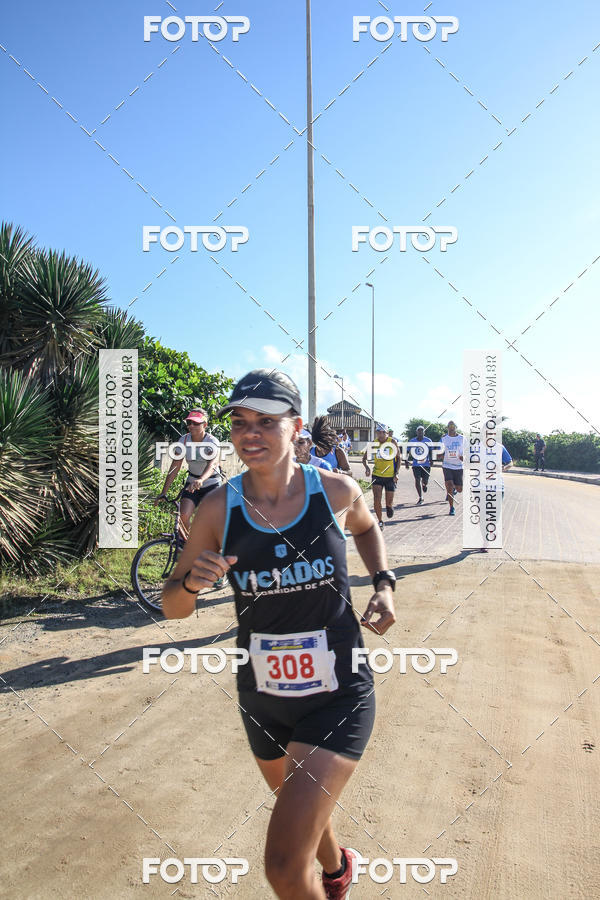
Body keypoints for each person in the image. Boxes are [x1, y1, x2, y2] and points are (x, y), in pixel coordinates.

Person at [162, 369, 396, 900]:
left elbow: (365, 526)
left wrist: (384, 583)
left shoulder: (336, 490)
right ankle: (338, 871)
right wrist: (192, 585)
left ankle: (323, 876)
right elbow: (172, 607)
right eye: (241, 422)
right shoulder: (219, 508)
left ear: (295, 426)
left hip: (338, 693)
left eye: (267, 421)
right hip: (262, 695)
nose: (251, 434)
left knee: (285, 867)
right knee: (304, 818)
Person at [155, 409, 222, 538]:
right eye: (189, 422)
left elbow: (213, 464)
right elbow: (175, 466)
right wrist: (164, 492)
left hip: (211, 484)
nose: (191, 426)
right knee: (183, 515)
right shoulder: (183, 440)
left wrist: (201, 479)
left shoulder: (212, 442)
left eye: (196, 423)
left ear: (205, 425)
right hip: (192, 483)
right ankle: (189, 546)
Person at [362, 424, 400, 528]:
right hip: (377, 475)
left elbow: (399, 458)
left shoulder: (392, 442)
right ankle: (380, 521)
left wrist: (396, 473)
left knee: (389, 502)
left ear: (387, 433)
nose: (381, 434)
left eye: (383, 432)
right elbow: (364, 459)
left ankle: (389, 506)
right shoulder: (374, 443)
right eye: (379, 432)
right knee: (376, 498)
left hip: (390, 476)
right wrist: (367, 468)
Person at [438, 420, 463, 516]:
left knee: (459, 489)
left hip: (458, 466)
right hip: (447, 465)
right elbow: (439, 452)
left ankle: (455, 489)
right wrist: (440, 455)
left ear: (456, 428)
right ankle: (451, 508)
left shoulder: (462, 438)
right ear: (447, 428)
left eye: (453, 426)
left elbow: (467, 450)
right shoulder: (444, 439)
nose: (451, 428)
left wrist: (464, 457)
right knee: (449, 485)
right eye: (450, 426)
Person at [406, 425, 433, 505]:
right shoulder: (412, 441)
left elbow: (431, 451)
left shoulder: (428, 440)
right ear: (416, 432)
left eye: (422, 431)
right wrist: (406, 461)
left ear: (424, 432)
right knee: (417, 480)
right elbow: (407, 451)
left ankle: (424, 485)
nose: (420, 432)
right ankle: (421, 498)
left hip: (426, 464)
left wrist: (431, 460)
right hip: (416, 464)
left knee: (425, 481)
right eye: (419, 431)